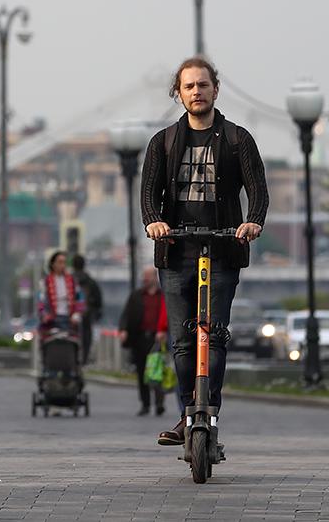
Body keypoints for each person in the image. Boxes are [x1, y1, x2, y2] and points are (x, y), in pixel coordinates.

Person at [141, 56, 269, 446]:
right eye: (189, 86)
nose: (196, 92)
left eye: (203, 84)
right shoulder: (162, 142)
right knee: (182, 340)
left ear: (215, 89)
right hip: (176, 251)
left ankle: (208, 412)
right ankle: (187, 413)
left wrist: (253, 221)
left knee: (213, 336)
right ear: (178, 94)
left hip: (223, 248)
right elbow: (148, 194)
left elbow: (258, 189)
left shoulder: (237, 139)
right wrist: (154, 221)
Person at [119, 267, 168, 416]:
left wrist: (165, 331)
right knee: (141, 372)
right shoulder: (136, 295)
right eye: (144, 276)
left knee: (157, 371)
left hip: (157, 338)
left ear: (154, 277)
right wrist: (124, 330)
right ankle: (145, 404)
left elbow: (169, 315)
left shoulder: (163, 295)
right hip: (139, 338)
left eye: (148, 276)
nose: (145, 279)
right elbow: (126, 314)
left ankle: (159, 403)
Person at [37, 250, 85, 340]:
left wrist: (77, 314)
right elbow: (41, 301)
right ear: (53, 264)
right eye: (60, 262)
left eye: (64, 262)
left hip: (69, 321)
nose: (62, 265)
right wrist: (44, 315)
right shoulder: (45, 282)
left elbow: (80, 299)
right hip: (52, 321)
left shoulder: (72, 281)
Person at [71, 254, 103, 364]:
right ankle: (83, 360)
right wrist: (96, 314)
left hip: (71, 317)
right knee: (86, 339)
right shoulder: (90, 282)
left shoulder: (69, 281)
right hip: (87, 316)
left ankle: (72, 359)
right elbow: (98, 301)